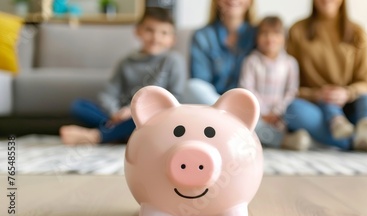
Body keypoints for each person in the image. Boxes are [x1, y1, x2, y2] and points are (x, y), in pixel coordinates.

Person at [286, 0, 367, 153]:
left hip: (353, 107)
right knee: (292, 111)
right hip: (317, 108)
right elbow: (289, 86)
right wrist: (317, 94)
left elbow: (366, 82)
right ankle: (364, 140)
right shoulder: (297, 30)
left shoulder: (357, 32)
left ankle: (340, 137)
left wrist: (347, 93)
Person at [60, 7, 186, 145]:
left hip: (150, 115)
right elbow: (108, 94)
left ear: (173, 39)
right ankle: (121, 133)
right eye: (149, 30)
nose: (156, 37)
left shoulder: (174, 61)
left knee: (146, 118)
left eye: (164, 33)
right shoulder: (126, 62)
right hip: (119, 115)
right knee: (78, 106)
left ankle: (97, 136)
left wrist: (132, 112)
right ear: (138, 31)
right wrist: (115, 113)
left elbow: (175, 98)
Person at [239, 16, 312, 151]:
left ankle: (280, 137)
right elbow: (247, 88)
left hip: (281, 115)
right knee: (245, 124)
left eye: (276, 33)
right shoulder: (251, 61)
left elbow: (292, 91)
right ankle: (277, 140)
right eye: (264, 33)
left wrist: (277, 111)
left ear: (284, 38)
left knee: (297, 116)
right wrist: (263, 112)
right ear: (256, 38)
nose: (270, 38)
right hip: (258, 114)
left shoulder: (290, 63)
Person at [182, 0, 257, 105]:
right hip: (212, 100)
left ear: (250, 2)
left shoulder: (260, 35)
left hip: (247, 101)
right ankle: (226, 111)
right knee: (192, 87)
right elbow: (201, 81)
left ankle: (225, 113)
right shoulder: (202, 36)